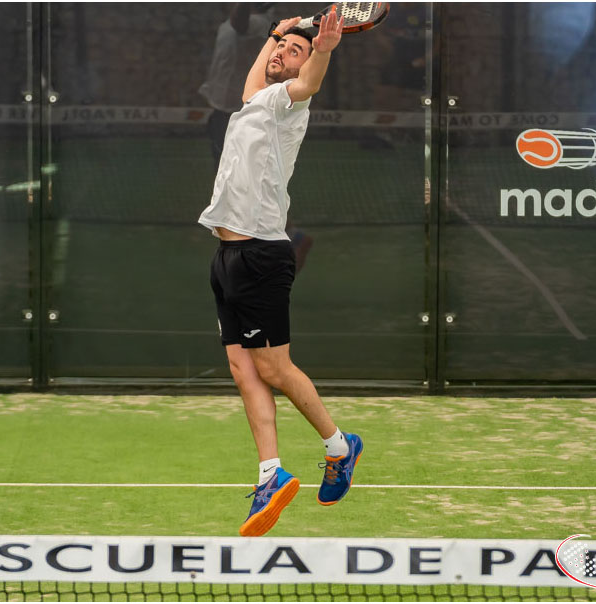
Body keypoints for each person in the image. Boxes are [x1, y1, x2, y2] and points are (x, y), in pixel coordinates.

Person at [197, 7, 363, 538]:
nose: (281, 55)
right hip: (227, 257)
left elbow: (309, 81)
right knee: (242, 369)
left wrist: (321, 49)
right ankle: (271, 474)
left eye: (293, 53)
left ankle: (340, 447)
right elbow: (254, 77)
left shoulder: (290, 103)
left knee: (273, 368)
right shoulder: (256, 102)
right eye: (280, 49)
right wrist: (279, 32)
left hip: (261, 256)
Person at [200, 3, 314, 274]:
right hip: (228, 112)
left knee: (250, 186)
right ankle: (286, 238)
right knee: (236, 183)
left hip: (248, 114)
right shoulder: (233, 25)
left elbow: (240, 21)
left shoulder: (257, 22)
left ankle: (286, 241)